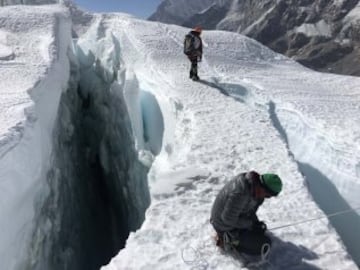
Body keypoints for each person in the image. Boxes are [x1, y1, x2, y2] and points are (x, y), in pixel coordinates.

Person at [210, 171, 282, 256]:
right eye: (268, 195)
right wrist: (250, 224)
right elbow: (228, 219)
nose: (267, 197)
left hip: (232, 218)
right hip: (223, 225)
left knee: (259, 232)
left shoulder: (253, 186)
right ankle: (229, 241)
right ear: (263, 187)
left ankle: (239, 237)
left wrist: (255, 223)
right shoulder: (241, 193)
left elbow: (250, 210)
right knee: (264, 245)